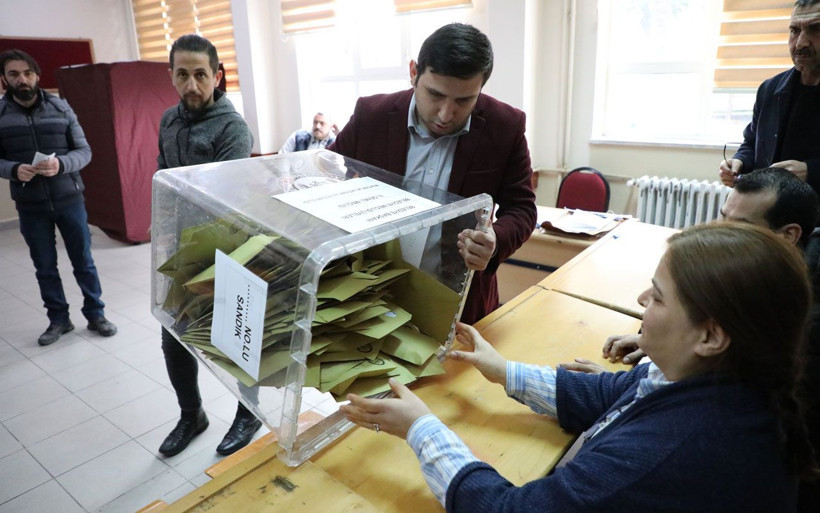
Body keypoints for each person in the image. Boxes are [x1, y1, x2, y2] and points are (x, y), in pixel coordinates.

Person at [342, 222, 817, 512]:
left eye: (659, 296)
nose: (641, 302)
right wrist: (503, 369)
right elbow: (610, 395)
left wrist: (422, 429)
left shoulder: (668, 453)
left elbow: (506, 510)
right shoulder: (721, 381)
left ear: (711, 336)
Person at [330, 23, 537, 324]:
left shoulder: (505, 127)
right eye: (435, 94)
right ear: (414, 72)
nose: (445, 114)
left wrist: (494, 239)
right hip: (372, 294)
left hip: (460, 305)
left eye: (464, 100)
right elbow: (327, 174)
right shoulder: (371, 115)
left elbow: (522, 208)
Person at [566, 167, 820, 372]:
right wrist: (672, 341)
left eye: (740, 226)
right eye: (724, 217)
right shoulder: (756, 270)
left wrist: (626, 392)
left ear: (788, 235)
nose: (719, 232)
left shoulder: (803, 322)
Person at [156, 34, 261, 458]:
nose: (192, 84)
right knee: (173, 336)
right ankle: (191, 414)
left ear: (217, 76)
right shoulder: (168, 120)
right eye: (183, 75)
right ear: (172, 77)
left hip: (228, 250)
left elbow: (223, 201)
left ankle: (248, 412)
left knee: (238, 337)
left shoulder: (233, 128)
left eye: (201, 74)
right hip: (179, 249)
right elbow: (163, 177)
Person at [0, 49, 117, 346]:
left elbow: (85, 151)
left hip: (69, 199)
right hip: (30, 206)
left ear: (37, 76)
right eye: (14, 74)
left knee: (84, 261)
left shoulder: (61, 108)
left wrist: (61, 164)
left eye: (27, 73)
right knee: (45, 267)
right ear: (4, 80)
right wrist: (13, 170)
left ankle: (95, 314)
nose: (22, 79)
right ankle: (58, 320)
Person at [719, 0, 820, 192]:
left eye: (815, 29)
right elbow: (752, 143)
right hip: (769, 211)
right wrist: (739, 161)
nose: (800, 43)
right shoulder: (770, 89)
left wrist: (811, 171)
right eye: (794, 31)